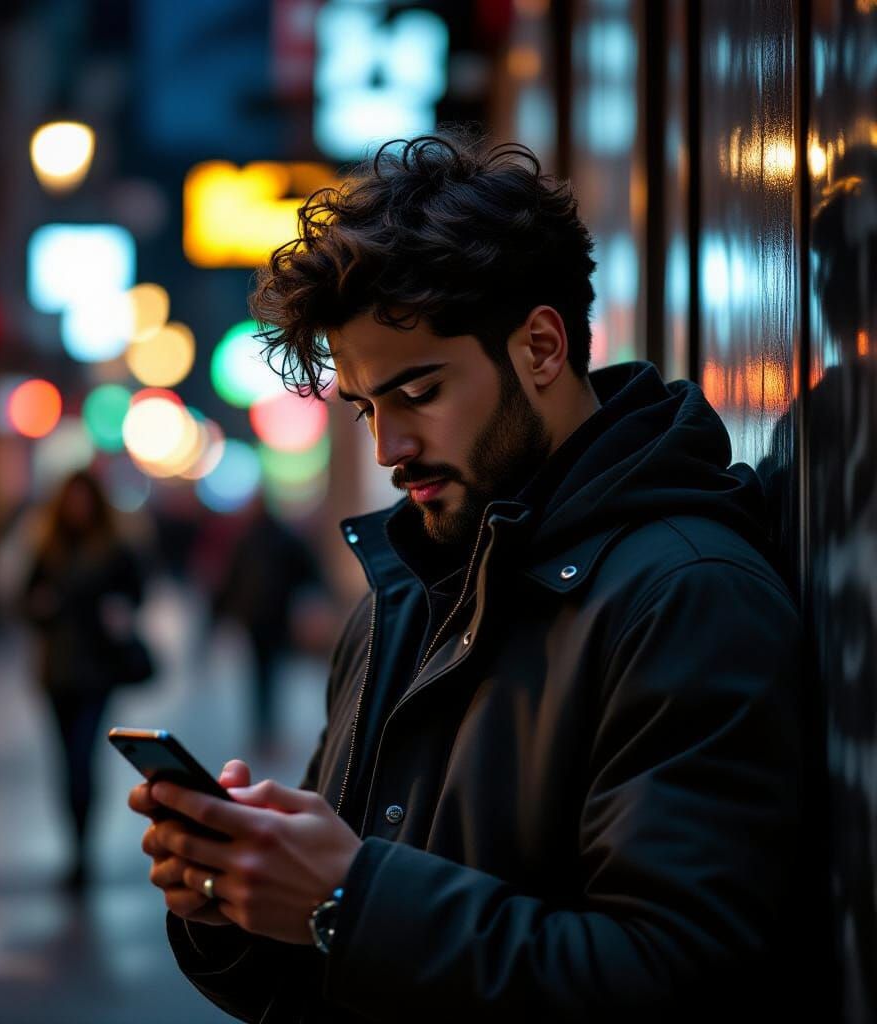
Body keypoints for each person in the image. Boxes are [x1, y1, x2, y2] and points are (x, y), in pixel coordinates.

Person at [128, 130, 809, 1022]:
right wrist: (239, 900)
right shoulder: (402, 599)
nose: (388, 447)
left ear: (539, 347)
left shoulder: (687, 595)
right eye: (369, 407)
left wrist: (346, 901)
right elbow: (331, 965)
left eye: (419, 394)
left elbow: (678, 977)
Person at [23, 469, 146, 890]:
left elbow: (136, 592)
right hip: (57, 672)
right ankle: (74, 844)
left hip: (96, 671)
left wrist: (121, 612)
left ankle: (82, 850)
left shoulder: (112, 550)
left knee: (82, 760)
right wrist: (40, 606)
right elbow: (23, 600)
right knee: (64, 762)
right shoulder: (48, 547)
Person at [210, 494, 325, 756]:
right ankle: (265, 733)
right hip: (262, 620)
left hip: (267, 620)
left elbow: (233, 579)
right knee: (264, 678)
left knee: (266, 678)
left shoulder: (262, 538)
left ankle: (266, 733)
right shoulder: (257, 538)